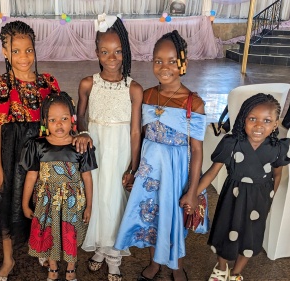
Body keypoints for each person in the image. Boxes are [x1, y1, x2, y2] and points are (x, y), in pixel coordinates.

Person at [114, 30, 206, 281]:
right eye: (158, 60)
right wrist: (134, 170)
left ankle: (177, 266)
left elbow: (197, 150)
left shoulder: (193, 103)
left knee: (174, 219)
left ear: (183, 62)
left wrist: (193, 189)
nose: (164, 67)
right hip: (150, 172)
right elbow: (141, 136)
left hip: (176, 176)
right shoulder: (148, 95)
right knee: (153, 217)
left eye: (171, 61)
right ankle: (155, 263)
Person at [0, 21, 62, 281]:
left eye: (28, 50)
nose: (23, 57)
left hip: (42, 155)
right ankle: (8, 258)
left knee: (43, 204)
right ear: (4, 52)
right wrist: (0, 170)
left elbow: (55, 124)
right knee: (8, 207)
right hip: (11, 157)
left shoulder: (47, 83)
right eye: (16, 51)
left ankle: (45, 249)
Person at [76, 14, 143, 281]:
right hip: (97, 150)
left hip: (120, 151)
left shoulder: (133, 88)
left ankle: (114, 257)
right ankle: (101, 249)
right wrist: (82, 132)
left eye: (117, 52)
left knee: (115, 202)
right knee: (98, 199)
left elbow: (136, 130)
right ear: (97, 53)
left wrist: (133, 167)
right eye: (105, 52)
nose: (111, 57)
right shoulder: (88, 84)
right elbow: (80, 116)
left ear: (125, 52)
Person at [198, 93, 290, 281]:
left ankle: (236, 273)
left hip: (260, 199)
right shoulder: (232, 143)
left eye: (266, 120)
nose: (258, 125)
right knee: (226, 230)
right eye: (252, 119)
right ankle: (221, 267)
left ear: (275, 124)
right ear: (243, 119)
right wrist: (194, 193)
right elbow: (212, 172)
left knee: (251, 236)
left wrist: (270, 199)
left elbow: (278, 173)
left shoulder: (277, 148)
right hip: (232, 197)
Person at [21, 91, 97, 281]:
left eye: (64, 118)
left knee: (70, 233)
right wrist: (24, 204)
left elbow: (87, 177)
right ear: (45, 121)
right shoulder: (37, 145)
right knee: (50, 232)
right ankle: (52, 267)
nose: (59, 124)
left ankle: (71, 268)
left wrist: (89, 205)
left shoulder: (80, 146)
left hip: (73, 202)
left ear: (72, 119)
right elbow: (31, 176)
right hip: (46, 201)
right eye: (53, 119)